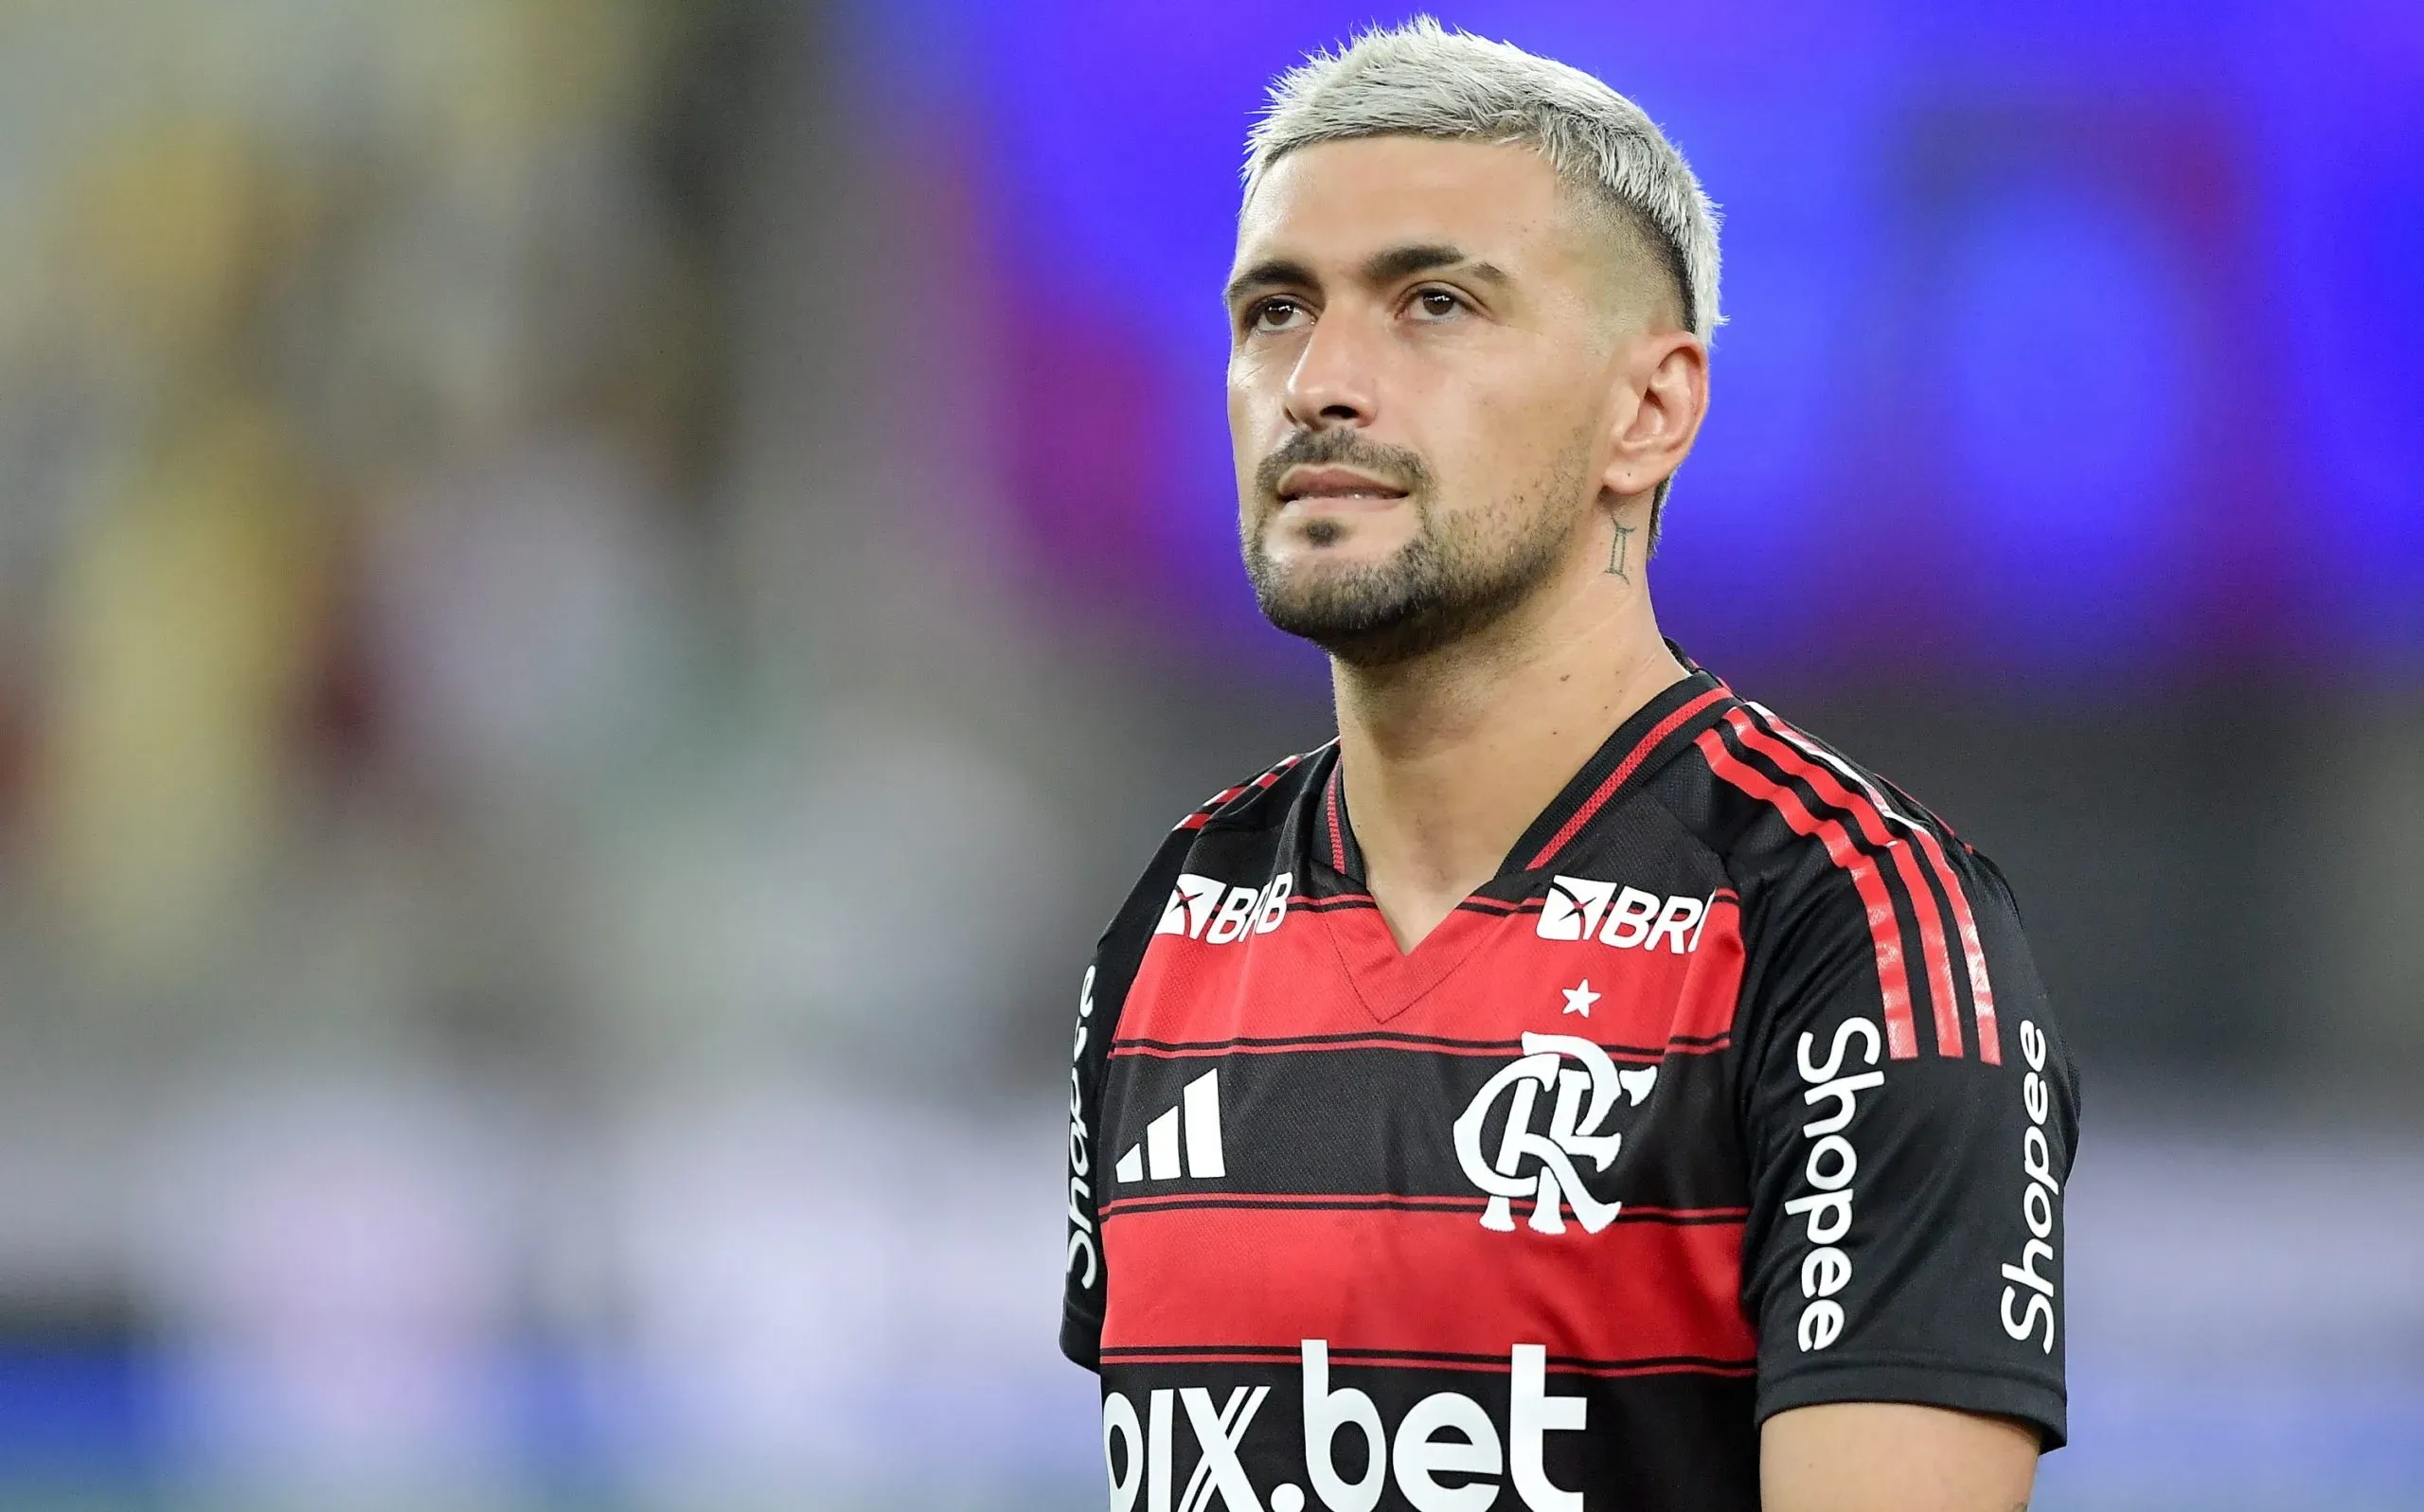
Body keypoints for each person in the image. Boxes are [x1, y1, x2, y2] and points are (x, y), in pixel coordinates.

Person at [1060, 19, 2078, 1511]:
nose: (1320, 381)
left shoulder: (1853, 929)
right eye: (1276, 310)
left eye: (1434, 302)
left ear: (1649, 411)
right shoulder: (1176, 921)